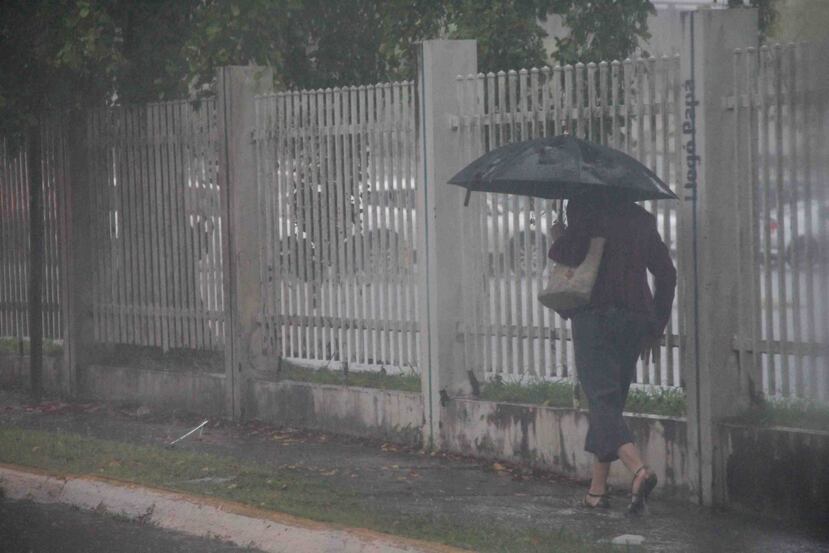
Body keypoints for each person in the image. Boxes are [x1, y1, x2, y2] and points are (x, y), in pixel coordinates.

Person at [548, 195, 676, 514]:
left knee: (602, 403)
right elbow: (667, 274)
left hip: (595, 317)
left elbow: (571, 253)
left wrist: (558, 235)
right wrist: (654, 326)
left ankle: (639, 471)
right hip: (634, 320)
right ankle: (597, 490)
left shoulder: (585, 208)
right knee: (610, 406)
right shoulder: (642, 220)